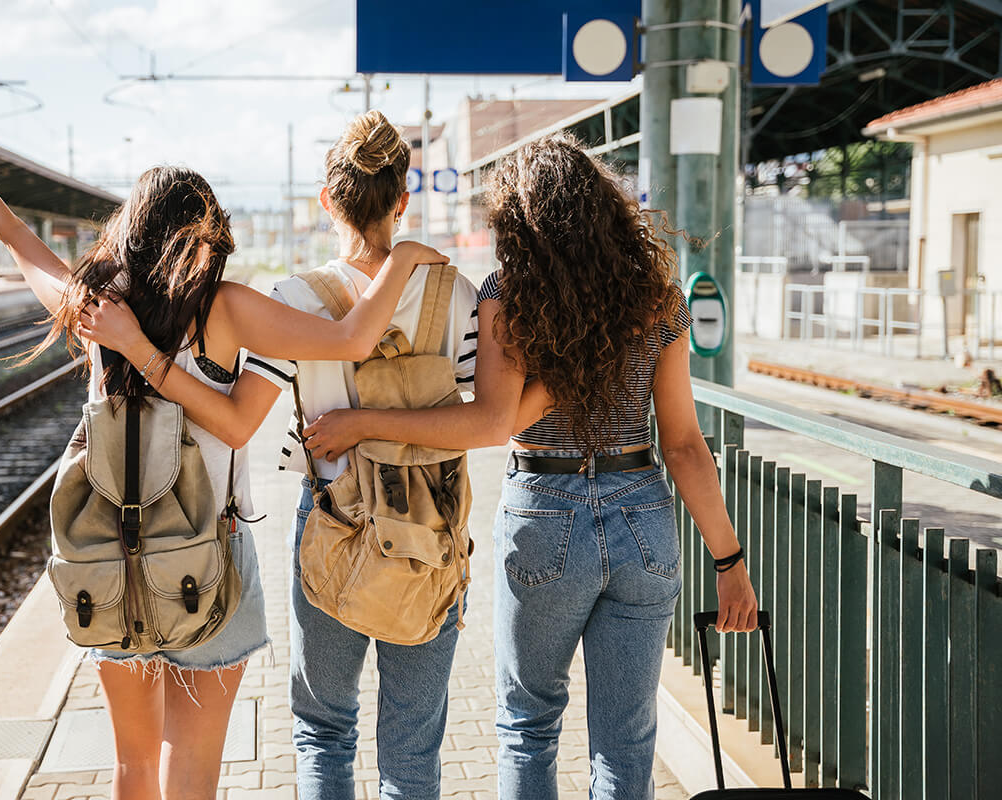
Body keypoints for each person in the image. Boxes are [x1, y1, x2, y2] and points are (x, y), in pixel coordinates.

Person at [0, 68, 446, 800]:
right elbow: (351, 337)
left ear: (129, 228)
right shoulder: (229, 310)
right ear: (203, 232)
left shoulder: (92, 308)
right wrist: (401, 257)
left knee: (132, 767)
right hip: (210, 554)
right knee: (192, 770)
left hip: (109, 558)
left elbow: (10, 231)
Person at [301, 134, 760, 800]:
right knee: (627, 742)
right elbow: (685, 445)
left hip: (545, 513)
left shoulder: (508, 293)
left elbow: (492, 422)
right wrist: (730, 563)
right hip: (643, 517)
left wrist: (365, 421)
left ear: (517, 219)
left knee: (529, 726)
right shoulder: (654, 300)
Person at [82, 110, 480, 800]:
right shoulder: (459, 295)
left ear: (327, 201)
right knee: (413, 745)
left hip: (332, 523)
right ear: (402, 198)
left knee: (324, 730)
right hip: (433, 533)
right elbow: (478, 420)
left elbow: (252, 412)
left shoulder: (295, 298)